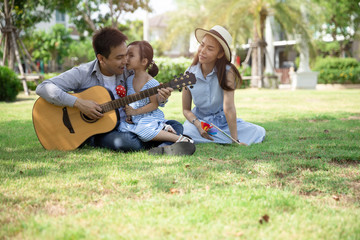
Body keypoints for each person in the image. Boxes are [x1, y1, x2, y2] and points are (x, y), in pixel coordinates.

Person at [36, 27, 195, 155]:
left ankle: (164, 146)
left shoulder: (129, 71)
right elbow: (43, 88)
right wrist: (79, 103)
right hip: (104, 130)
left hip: (132, 123)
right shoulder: (82, 73)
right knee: (127, 143)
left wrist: (162, 98)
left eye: (126, 55)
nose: (125, 61)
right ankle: (161, 141)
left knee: (175, 124)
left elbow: (147, 92)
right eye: (119, 57)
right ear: (102, 58)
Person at [182, 25, 266, 145]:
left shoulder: (227, 72)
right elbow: (186, 110)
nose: (203, 51)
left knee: (256, 131)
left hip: (223, 123)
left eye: (210, 48)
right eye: (202, 45)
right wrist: (198, 124)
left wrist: (235, 139)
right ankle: (218, 138)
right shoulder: (189, 74)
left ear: (220, 54)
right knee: (187, 131)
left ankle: (221, 138)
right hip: (199, 123)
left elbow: (229, 108)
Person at [119, 40, 194, 146]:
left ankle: (181, 139)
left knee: (143, 132)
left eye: (131, 55)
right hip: (136, 120)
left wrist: (135, 112)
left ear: (144, 61)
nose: (126, 58)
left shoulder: (151, 83)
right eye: (126, 54)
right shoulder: (129, 80)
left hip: (149, 118)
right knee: (121, 128)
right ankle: (162, 132)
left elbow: (154, 104)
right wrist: (130, 115)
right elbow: (131, 102)